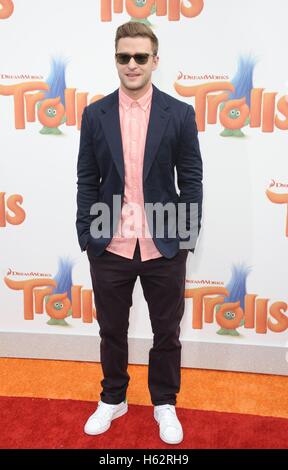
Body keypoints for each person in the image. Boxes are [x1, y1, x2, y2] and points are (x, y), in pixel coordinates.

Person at [76, 21, 203, 445]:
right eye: (123, 56)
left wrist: (185, 239)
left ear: (155, 60)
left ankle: (164, 402)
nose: (132, 64)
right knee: (111, 329)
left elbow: (191, 179)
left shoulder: (180, 113)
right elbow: (87, 178)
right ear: (115, 59)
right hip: (108, 243)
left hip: (163, 245)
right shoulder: (95, 114)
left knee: (167, 332)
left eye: (140, 57)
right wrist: (87, 236)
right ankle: (113, 398)